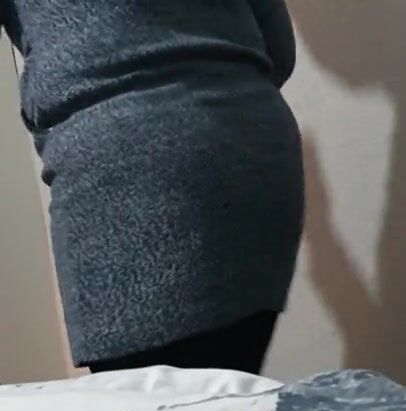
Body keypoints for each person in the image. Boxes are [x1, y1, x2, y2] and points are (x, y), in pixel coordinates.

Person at [1, 0, 304, 375]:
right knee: (222, 389)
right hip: (253, 144)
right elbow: (279, 50)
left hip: (125, 174)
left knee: (158, 401)